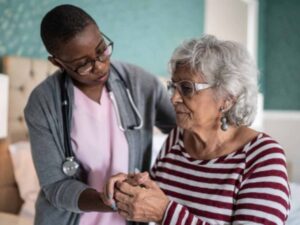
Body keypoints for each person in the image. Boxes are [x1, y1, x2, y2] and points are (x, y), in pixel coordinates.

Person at [103, 35, 291, 225]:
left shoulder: (262, 157)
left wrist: (165, 214)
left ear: (227, 98)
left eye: (186, 88)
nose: (174, 98)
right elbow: (157, 198)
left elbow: (162, 209)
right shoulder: (178, 138)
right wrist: (134, 188)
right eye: (173, 86)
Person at [24, 4, 176, 225]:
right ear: (57, 62)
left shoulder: (141, 83)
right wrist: (107, 198)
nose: (100, 67)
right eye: (83, 64)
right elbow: (56, 186)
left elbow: (185, 133)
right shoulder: (42, 104)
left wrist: (155, 183)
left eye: (101, 50)